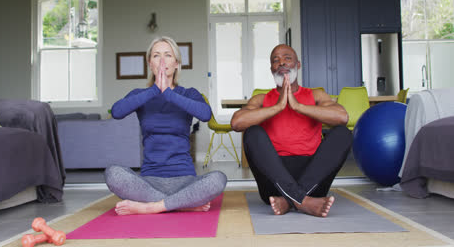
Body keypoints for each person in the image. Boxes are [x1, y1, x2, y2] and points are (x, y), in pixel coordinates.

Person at [105, 36, 227, 215]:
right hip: (149, 181)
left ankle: (152, 207)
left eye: (168, 55)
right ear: (150, 63)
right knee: (112, 173)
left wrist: (168, 93)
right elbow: (117, 112)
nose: (162, 61)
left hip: (185, 181)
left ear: (176, 63)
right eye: (156, 56)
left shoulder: (188, 94)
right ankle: (182, 204)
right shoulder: (141, 94)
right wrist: (155, 90)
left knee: (218, 179)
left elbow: (205, 114)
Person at [230, 44, 352, 217]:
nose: (281, 63)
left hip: (313, 181)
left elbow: (342, 117)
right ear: (271, 68)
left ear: (298, 65)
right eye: (275, 60)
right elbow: (237, 123)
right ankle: (302, 200)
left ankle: (289, 200)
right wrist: (278, 107)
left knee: (343, 134)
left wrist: (298, 106)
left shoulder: (316, 95)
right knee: (252, 133)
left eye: (287, 58)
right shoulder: (261, 99)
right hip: (274, 183)